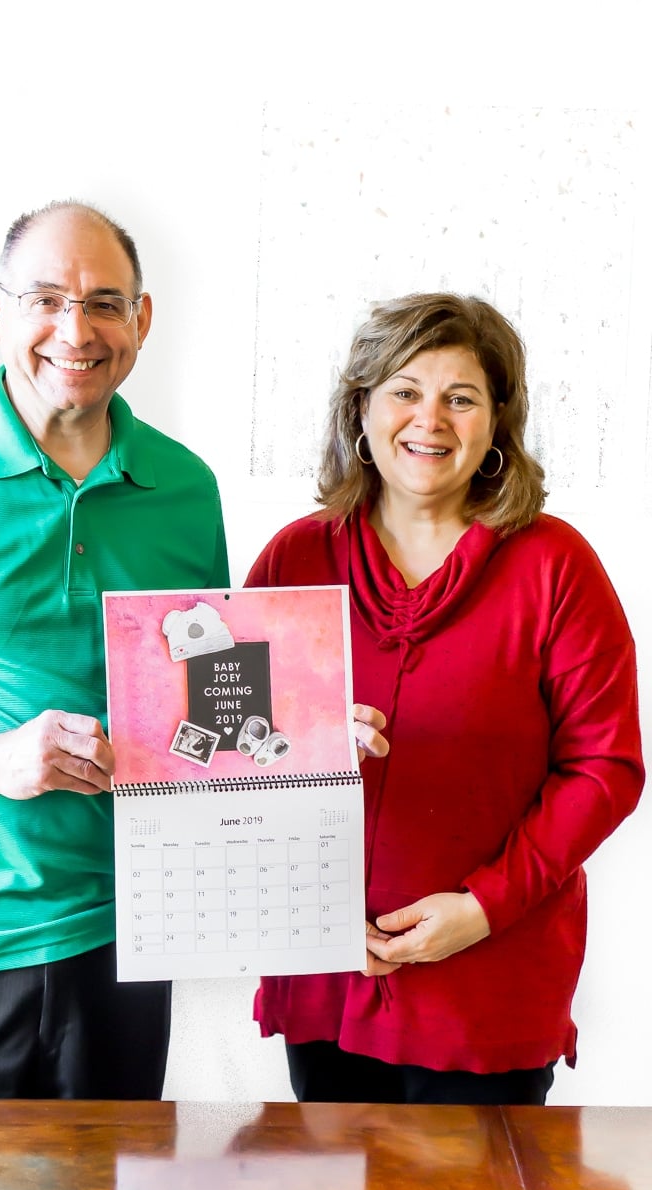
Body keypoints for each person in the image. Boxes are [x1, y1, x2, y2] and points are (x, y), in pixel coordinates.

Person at [0, 200, 229, 1099]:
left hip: (122, 938)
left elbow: (209, 701)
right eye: (47, 299)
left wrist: (320, 727)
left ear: (141, 322)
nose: (77, 329)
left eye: (105, 302)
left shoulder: (186, 488)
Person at [245, 292, 644, 1105]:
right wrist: (307, 908)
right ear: (361, 408)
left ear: (497, 421)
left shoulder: (555, 566)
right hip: (329, 970)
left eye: (460, 397)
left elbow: (605, 769)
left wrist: (482, 908)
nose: (430, 419)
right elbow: (225, 759)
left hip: (487, 985)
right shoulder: (294, 556)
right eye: (404, 390)